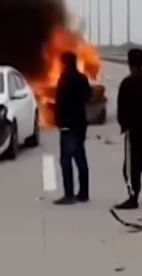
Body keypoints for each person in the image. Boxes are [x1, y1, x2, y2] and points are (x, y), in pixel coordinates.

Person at [114, 48, 142, 210]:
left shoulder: (128, 82)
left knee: (132, 164)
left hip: (134, 130)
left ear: (129, 62)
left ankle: (133, 196)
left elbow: (121, 108)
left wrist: (123, 125)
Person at [53, 51, 93, 205]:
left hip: (68, 125)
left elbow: (60, 102)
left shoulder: (64, 79)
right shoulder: (82, 78)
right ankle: (83, 193)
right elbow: (88, 96)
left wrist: (59, 120)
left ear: (65, 62)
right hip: (80, 123)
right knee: (80, 158)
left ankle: (69, 194)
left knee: (66, 160)